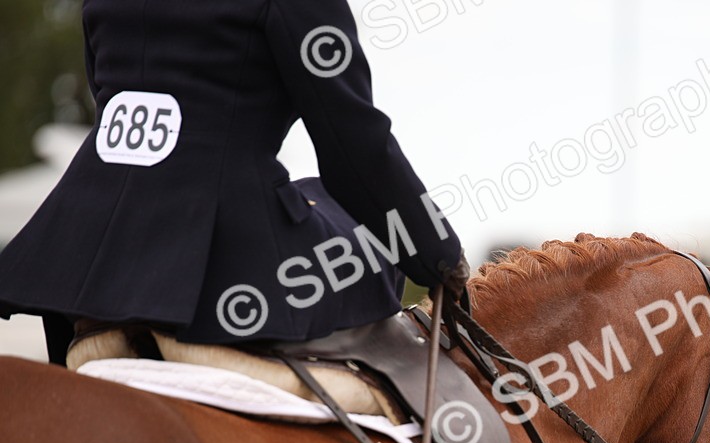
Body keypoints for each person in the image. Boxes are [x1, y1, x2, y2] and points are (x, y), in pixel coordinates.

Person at [0, 0, 468, 366]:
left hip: (81, 253)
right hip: (228, 265)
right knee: (366, 243)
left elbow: (114, 111)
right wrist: (437, 257)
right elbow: (355, 152)